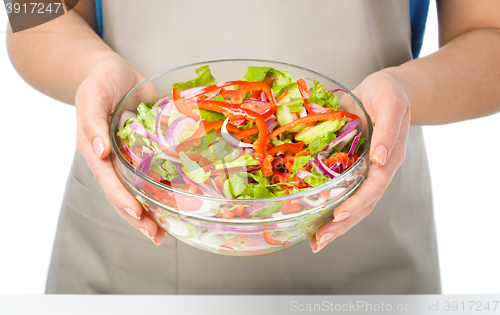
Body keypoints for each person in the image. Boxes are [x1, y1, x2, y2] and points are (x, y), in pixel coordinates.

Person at [7, 0, 500, 294]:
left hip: (369, 254)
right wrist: (93, 70)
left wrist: (404, 91)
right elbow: (33, 15)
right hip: (130, 258)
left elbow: (490, 33)